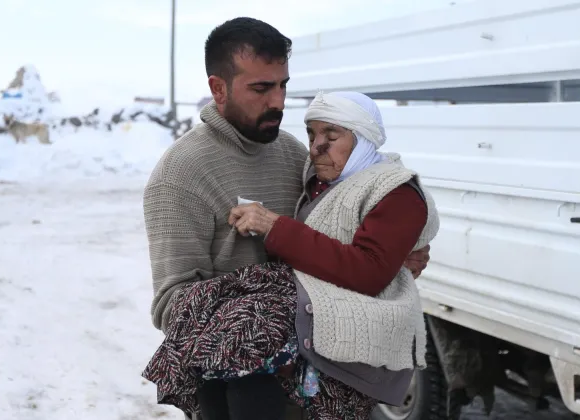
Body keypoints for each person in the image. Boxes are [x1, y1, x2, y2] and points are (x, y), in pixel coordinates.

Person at [142, 17, 430, 420]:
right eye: (261, 88)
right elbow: (174, 307)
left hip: (325, 376)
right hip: (242, 389)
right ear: (218, 89)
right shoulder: (181, 174)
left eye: (283, 86)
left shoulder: (295, 155)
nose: (278, 102)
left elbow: (336, 238)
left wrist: (388, 258)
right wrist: (268, 327)